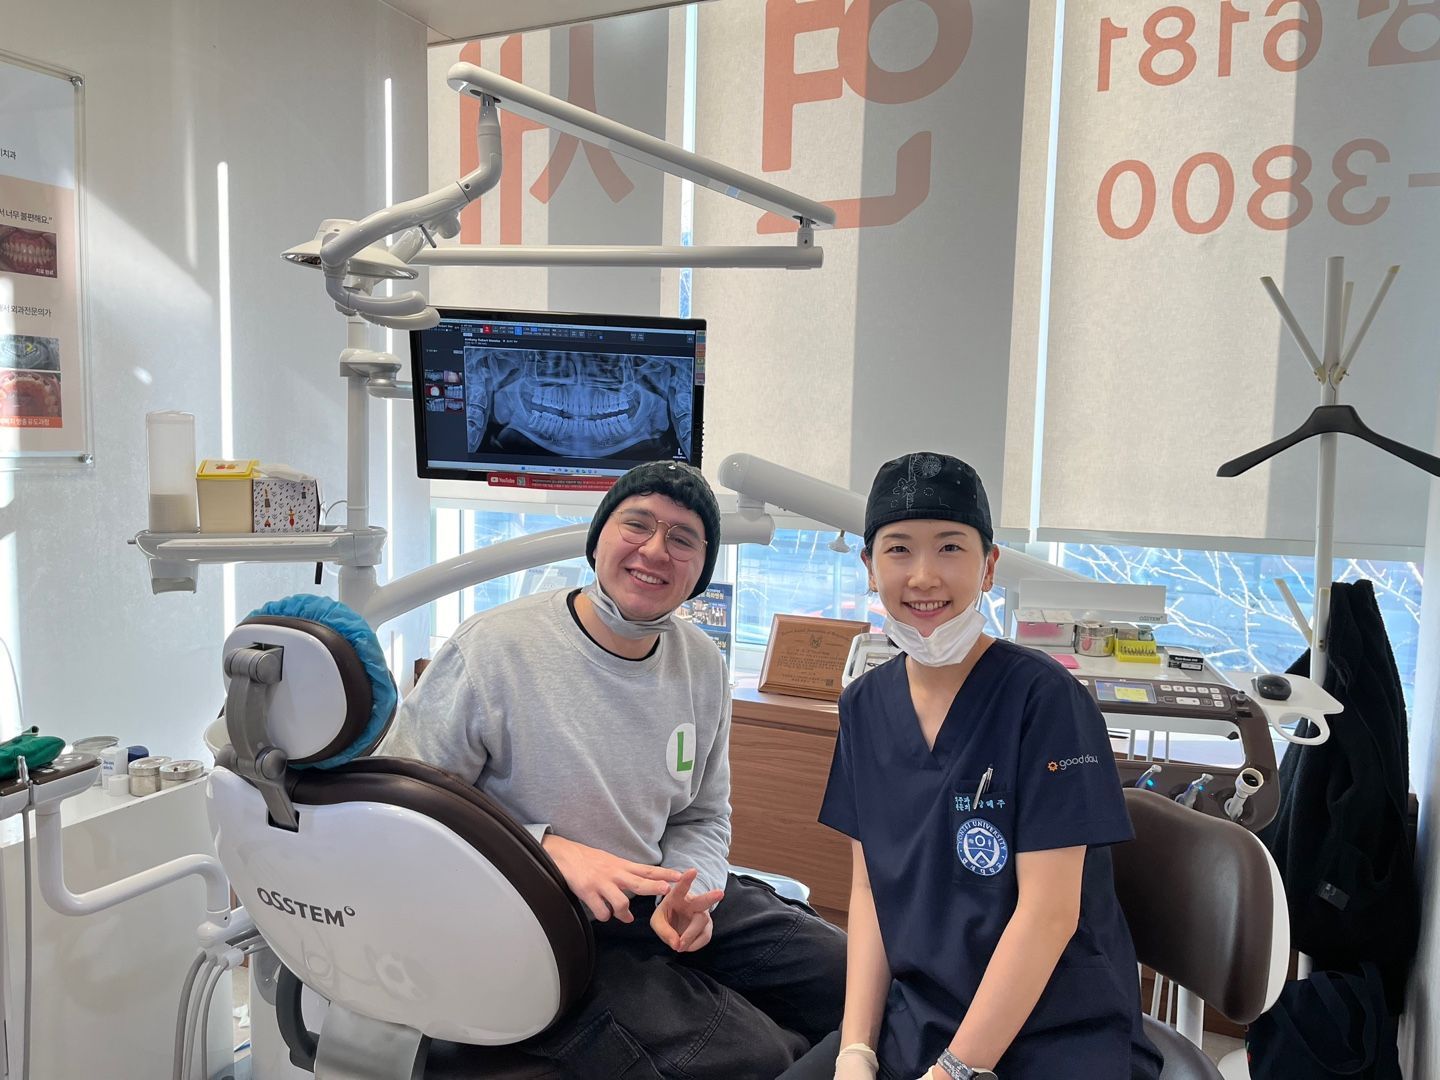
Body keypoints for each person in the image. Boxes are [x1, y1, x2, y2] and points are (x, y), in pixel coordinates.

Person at [379, 460, 846, 1079]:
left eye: (682, 539)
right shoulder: (493, 651)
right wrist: (548, 851)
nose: (656, 549)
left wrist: (694, 889)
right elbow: (402, 815)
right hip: (541, 916)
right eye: (637, 525)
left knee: (862, 980)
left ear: (701, 569)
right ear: (596, 537)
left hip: (659, 891)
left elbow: (702, 812)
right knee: (757, 1056)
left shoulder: (700, 663)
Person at [780, 452, 1162, 1080]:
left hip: (1055, 1028)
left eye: (950, 548)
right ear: (869, 569)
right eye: (898, 550)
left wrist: (957, 1069)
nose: (924, 576)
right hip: (922, 1016)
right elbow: (871, 890)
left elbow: (1050, 913)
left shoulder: (1045, 701)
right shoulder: (865, 705)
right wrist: (856, 1049)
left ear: (988, 567)